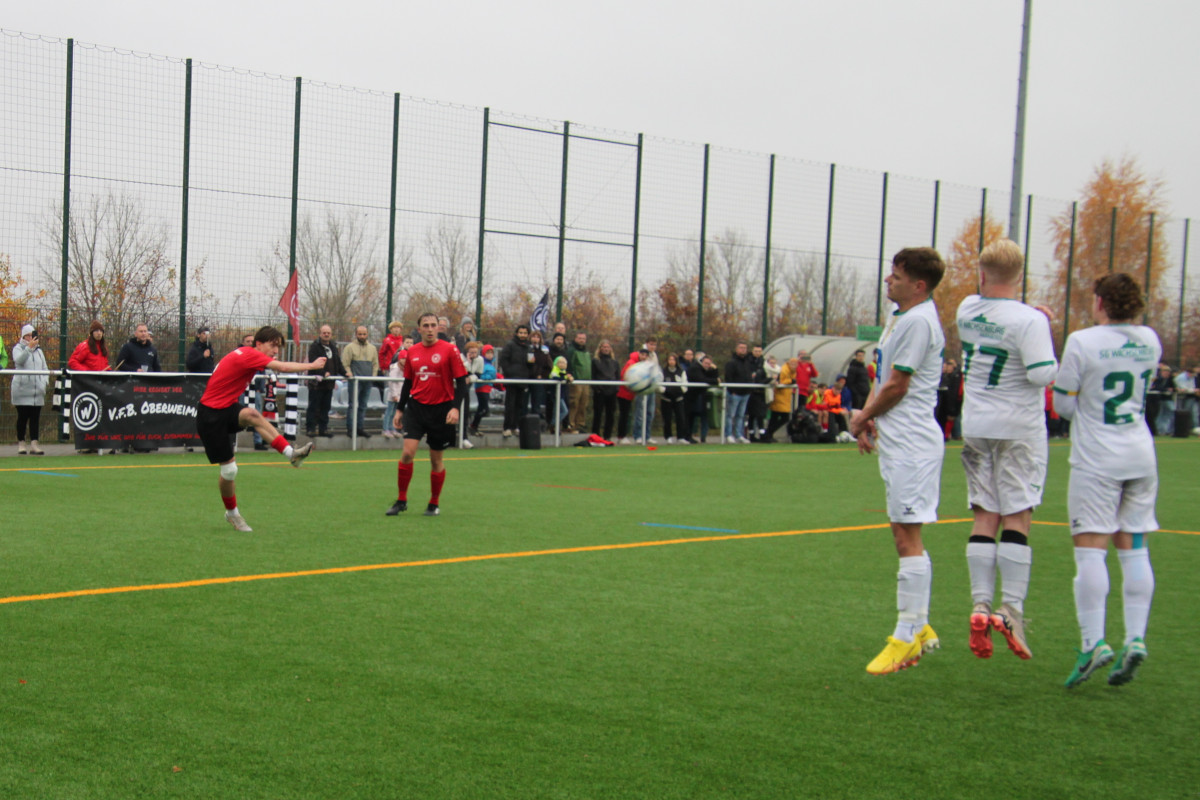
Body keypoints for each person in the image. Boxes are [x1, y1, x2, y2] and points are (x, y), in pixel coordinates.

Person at [1054, 274, 1160, 688]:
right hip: (1141, 453)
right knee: (1134, 547)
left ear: (1100, 302)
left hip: (1098, 459)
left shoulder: (1082, 341)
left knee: (1091, 550)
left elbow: (1063, 405)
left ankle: (1093, 642)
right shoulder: (1150, 339)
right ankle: (1135, 637)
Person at [955, 239, 1059, 661]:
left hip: (976, 424)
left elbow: (996, 313)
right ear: (1021, 276)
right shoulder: (1030, 320)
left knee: (985, 512)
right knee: (1018, 513)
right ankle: (1010, 609)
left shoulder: (965, 310)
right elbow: (1041, 375)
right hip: (1018, 427)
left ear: (981, 273)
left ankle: (980, 603)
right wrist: (1044, 328)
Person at [849, 247, 946, 675]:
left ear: (918, 285)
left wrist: (863, 416)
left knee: (908, 537)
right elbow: (883, 379)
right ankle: (920, 625)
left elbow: (899, 387)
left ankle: (906, 635)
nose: (889, 281)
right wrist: (868, 419)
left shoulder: (920, 321)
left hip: (913, 445)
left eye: (897, 276)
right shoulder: (900, 318)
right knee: (901, 533)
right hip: (899, 440)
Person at [195, 326, 322, 532]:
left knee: (253, 415)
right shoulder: (250, 354)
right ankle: (232, 514)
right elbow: (281, 367)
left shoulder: (246, 354)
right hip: (209, 416)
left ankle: (291, 454)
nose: (275, 351)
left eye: (278, 347)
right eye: (273, 346)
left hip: (226, 407)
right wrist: (313, 365)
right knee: (229, 471)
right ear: (259, 344)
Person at [386, 313, 469, 517]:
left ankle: (433, 503)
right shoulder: (412, 351)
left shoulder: (450, 350)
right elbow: (407, 383)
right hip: (417, 408)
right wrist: (399, 410)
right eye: (426, 325)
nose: (430, 329)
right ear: (419, 328)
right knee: (407, 453)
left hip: (442, 410)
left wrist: (455, 408)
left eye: (433, 325)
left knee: (435, 460)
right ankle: (401, 499)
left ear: (437, 328)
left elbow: (462, 382)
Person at [11, 325, 49, 455]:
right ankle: (21, 443)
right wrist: (28, 348)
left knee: (35, 418)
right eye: (29, 335)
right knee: (22, 417)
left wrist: (44, 383)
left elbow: (44, 368)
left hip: (37, 391)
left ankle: (34, 443)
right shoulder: (18, 348)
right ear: (24, 336)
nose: (32, 338)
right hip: (22, 390)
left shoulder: (39, 351)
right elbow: (19, 361)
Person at [305, 325, 343, 438]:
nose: (326, 334)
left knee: (326, 407)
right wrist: (323, 373)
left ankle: (323, 429)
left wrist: (345, 373)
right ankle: (311, 429)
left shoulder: (333, 347)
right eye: (324, 332)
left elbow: (338, 363)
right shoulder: (315, 347)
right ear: (320, 333)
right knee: (313, 407)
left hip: (329, 384)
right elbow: (313, 362)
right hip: (316, 384)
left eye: (328, 333)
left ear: (331, 334)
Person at [342, 325, 378, 438]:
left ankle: (360, 428)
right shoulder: (349, 347)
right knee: (353, 405)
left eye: (364, 334)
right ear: (356, 334)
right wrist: (351, 375)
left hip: (367, 381)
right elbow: (345, 363)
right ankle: (350, 429)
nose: (362, 336)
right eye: (360, 334)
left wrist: (373, 377)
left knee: (363, 405)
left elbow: (375, 364)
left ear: (367, 334)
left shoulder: (372, 348)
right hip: (355, 381)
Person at [499, 325, 534, 437]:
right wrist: (509, 372)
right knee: (510, 404)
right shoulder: (510, 345)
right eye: (521, 332)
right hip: (511, 379)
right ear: (517, 333)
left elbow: (530, 364)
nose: (522, 335)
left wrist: (530, 365)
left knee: (520, 405)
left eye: (525, 333)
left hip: (523, 379)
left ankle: (515, 427)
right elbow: (503, 360)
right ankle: (507, 427)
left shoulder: (529, 347)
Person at [379, 322, 406, 437]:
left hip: (401, 370)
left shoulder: (402, 342)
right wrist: (384, 366)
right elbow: (382, 353)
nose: (396, 330)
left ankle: (393, 428)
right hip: (392, 369)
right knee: (390, 399)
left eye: (398, 328)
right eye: (394, 328)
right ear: (391, 329)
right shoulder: (387, 341)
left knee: (396, 408)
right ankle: (386, 428)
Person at [723, 342, 754, 443]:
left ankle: (739, 435)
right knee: (730, 415)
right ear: (736, 349)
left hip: (745, 393)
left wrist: (749, 390)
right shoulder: (731, 363)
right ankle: (728, 434)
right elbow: (728, 378)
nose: (743, 350)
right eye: (741, 348)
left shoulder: (748, 362)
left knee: (741, 415)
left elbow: (749, 377)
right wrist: (733, 391)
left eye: (745, 348)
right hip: (735, 394)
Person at [591, 339, 620, 441]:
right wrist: (597, 389)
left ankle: (607, 436)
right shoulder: (595, 361)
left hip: (611, 392)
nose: (606, 349)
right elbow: (593, 376)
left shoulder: (615, 362)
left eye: (607, 347)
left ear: (610, 349)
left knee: (610, 415)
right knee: (598, 414)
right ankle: (596, 436)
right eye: (603, 347)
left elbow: (617, 376)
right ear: (600, 349)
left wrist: (616, 389)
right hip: (600, 391)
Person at [762, 357, 797, 443]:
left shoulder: (791, 370)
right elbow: (782, 381)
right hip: (780, 396)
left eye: (796, 364)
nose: (794, 366)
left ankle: (768, 435)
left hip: (784, 397)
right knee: (784, 417)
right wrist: (791, 381)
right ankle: (768, 434)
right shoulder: (784, 370)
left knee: (775, 417)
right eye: (792, 364)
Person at [616, 348, 646, 444]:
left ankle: (624, 436)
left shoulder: (640, 364)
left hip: (630, 393)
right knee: (624, 414)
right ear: (639, 354)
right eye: (643, 355)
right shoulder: (632, 363)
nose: (644, 357)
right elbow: (625, 376)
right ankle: (621, 436)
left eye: (646, 355)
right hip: (624, 392)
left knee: (626, 414)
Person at [686, 351, 717, 443]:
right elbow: (702, 379)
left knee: (697, 416)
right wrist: (715, 381)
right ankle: (687, 436)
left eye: (709, 363)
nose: (707, 365)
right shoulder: (695, 368)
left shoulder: (703, 369)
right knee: (689, 416)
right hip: (690, 396)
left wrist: (715, 370)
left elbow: (712, 377)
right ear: (701, 361)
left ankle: (697, 437)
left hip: (698, 397)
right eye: (706, 363)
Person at [661, 352, 689, 444]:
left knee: (680, 418)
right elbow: (659, 385)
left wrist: (680, 388)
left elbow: (685, 386)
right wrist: (664, 390)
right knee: (667, 419)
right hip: (667, 399)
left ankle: (681, 437)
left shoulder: (681, 371)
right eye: (670, 359)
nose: (671, 361)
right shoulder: (663, 371)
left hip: (678, 398)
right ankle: (668, 436)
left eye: (673, 360)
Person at [567, 331, 592, 434]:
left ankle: (580, 425)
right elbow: (570, 364)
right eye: (580, 338)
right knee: (574, 403)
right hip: (576, 381)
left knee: (584, 404)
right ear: (575, 339)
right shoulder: (572, 351)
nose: (582, 340)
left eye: (584, 339)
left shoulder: (586, 352)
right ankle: (571, 425)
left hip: (586, 381)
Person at [470, 343, 497, 435]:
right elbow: (479, 374)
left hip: (487, 388)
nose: (490, 355)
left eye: (491, 353)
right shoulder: (481, 363)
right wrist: (489, 376)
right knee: (484, 409)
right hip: (482, 388)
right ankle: (473, 425)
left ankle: (474, 426)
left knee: (483, 409)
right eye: (487, 353)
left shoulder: (490, 364)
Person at [934, 359, 962, 441]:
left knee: (950, 418)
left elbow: (955, 391)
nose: (947, 368)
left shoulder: (955, 376)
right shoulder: (945, 376)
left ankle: (949, 435)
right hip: (945, 400)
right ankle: (944, 435)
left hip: (952, 400)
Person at [1148, 363, 1175, 436]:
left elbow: (1173, 387)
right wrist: (1165, 389)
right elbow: (1155, 387)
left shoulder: (1170, 379)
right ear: (1162, 372)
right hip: (1159, 399)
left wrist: (1173, 389)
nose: (1167, 373)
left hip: (1168, 398)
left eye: (1168, 372)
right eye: (1165, 372)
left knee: (1169, 413)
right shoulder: (1158, 379)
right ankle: (1159, 429)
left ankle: (1165, 429)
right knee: (1160, 414)